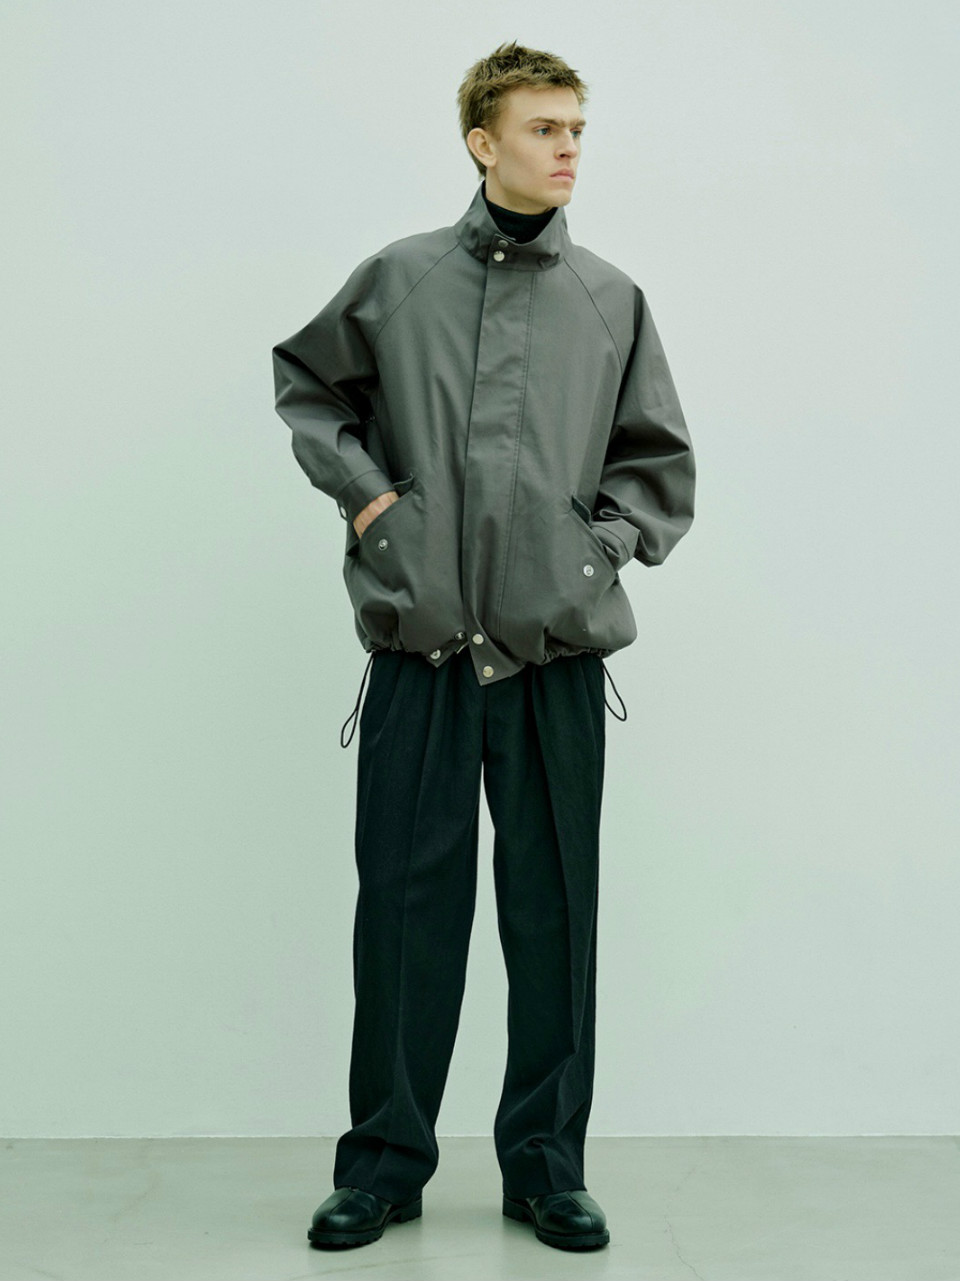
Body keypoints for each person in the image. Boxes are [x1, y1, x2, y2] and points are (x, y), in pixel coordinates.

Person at [271, 39, 695, 1254]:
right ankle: (383, 1166)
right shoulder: (400, 278)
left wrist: (594, 554)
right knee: (405, 917)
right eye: (545, 128)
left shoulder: (610, 299)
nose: (569, 149)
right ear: (482, 141)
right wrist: (372, 504)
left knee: (554, 913)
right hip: (423, 653)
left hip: (553, 657)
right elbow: (310, 388)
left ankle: (547, 1167)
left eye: (577, 130)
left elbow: (656, 462)